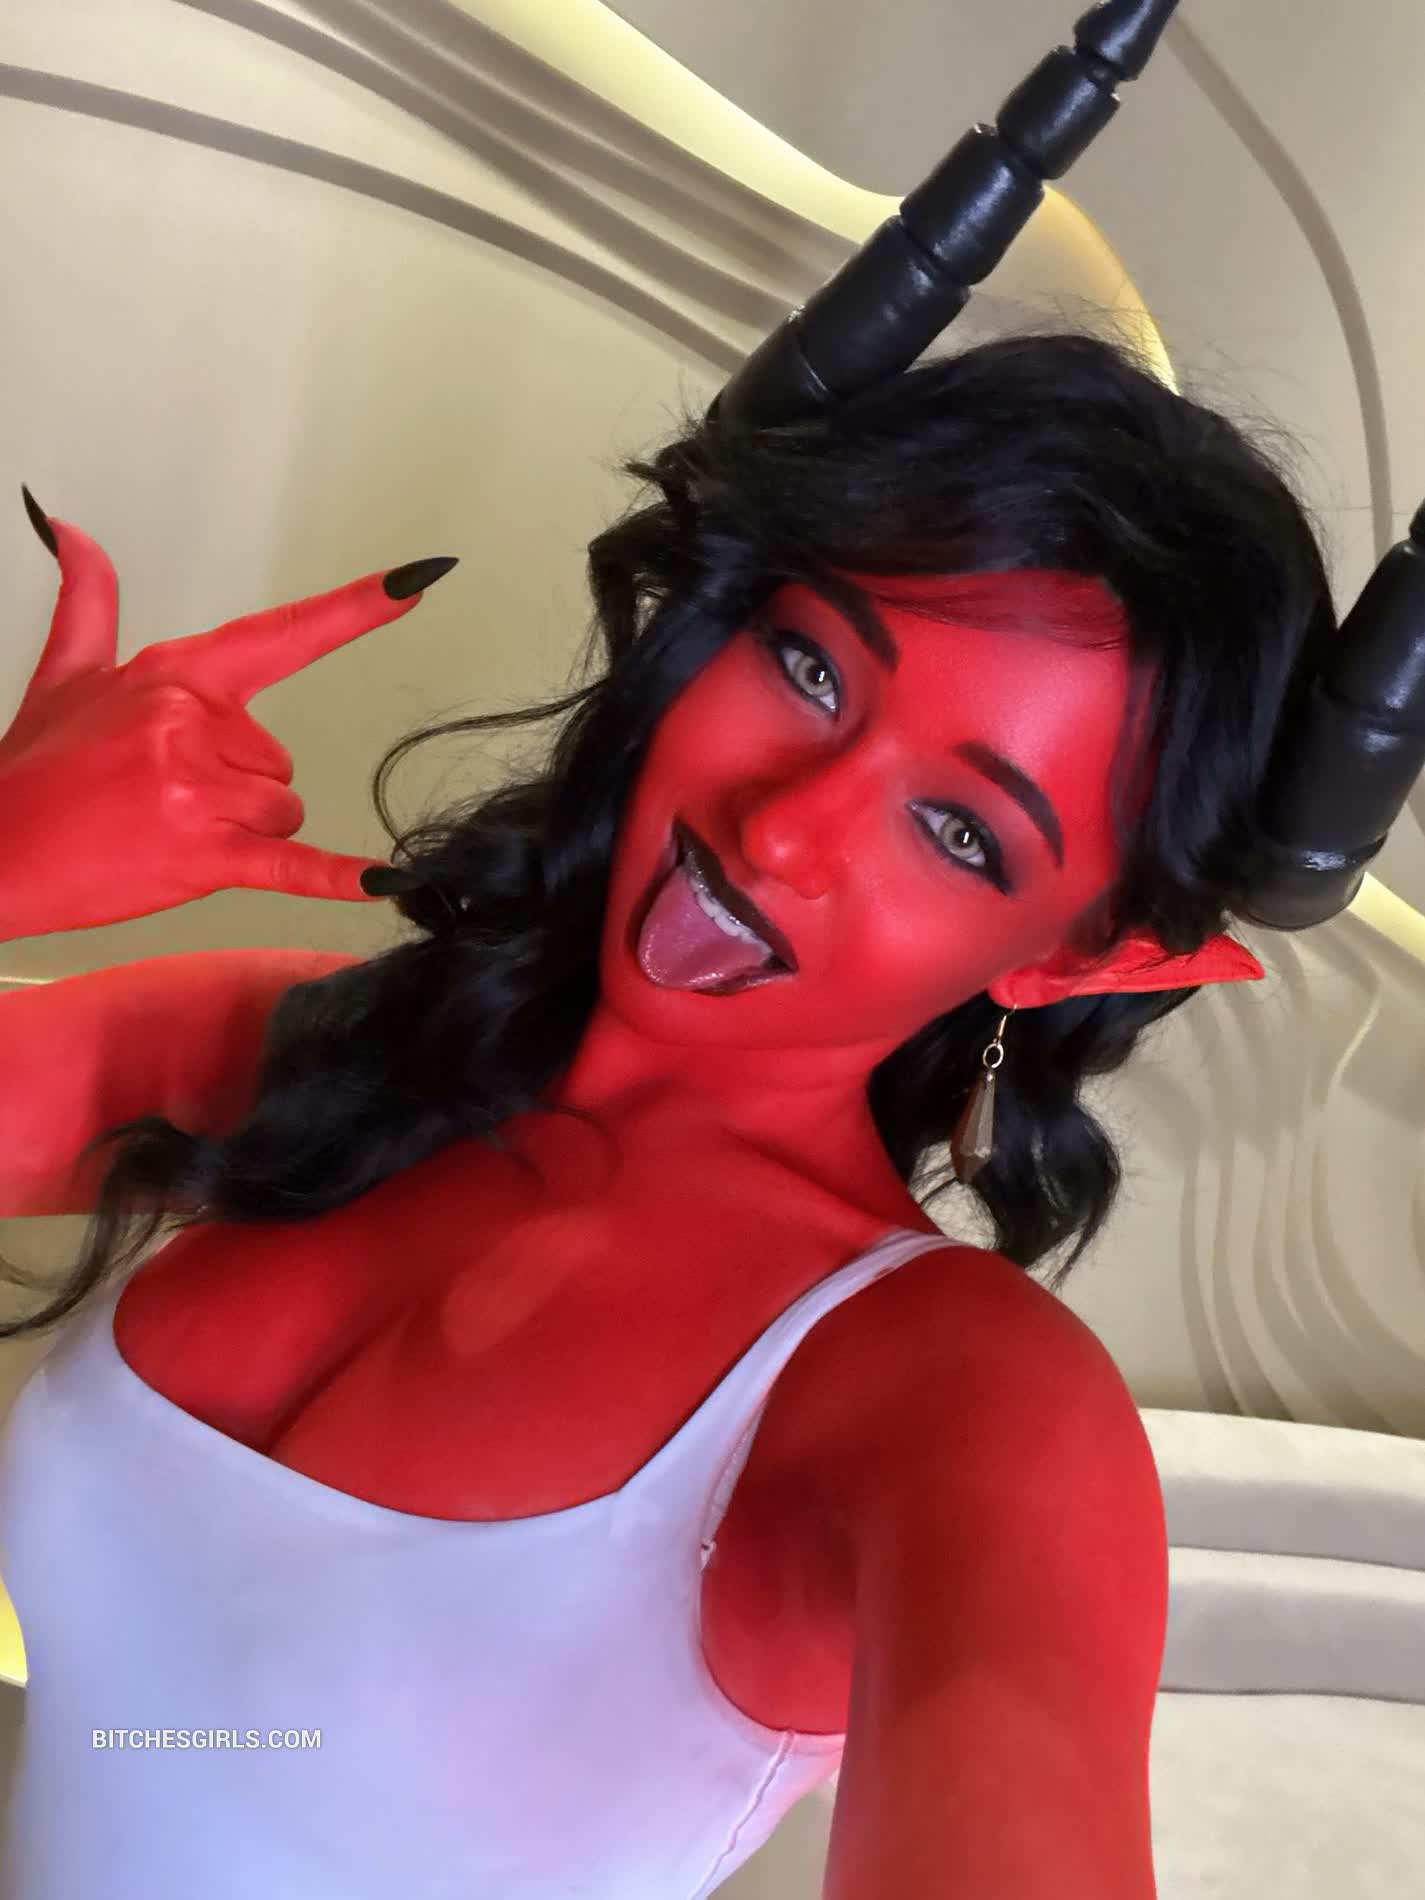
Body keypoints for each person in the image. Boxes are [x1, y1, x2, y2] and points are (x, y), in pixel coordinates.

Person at [0, 5, 1422, 1898]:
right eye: (810, 665)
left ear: (1082, 957)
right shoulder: (324, 1053)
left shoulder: (953, 1402)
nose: (781, 830)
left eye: (958, 830)